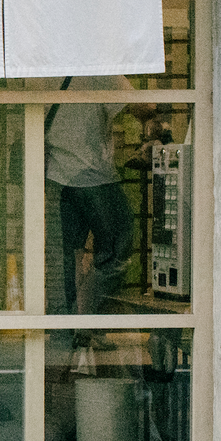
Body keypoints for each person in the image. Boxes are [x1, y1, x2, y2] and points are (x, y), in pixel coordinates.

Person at [45, 77, 156, 319]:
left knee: (70, 258)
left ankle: (73, 326)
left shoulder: (44, 69)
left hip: (57, 178)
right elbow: (143, 107)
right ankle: (88, 320)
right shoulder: (101, 70)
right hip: (93, 175)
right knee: (119, 248)